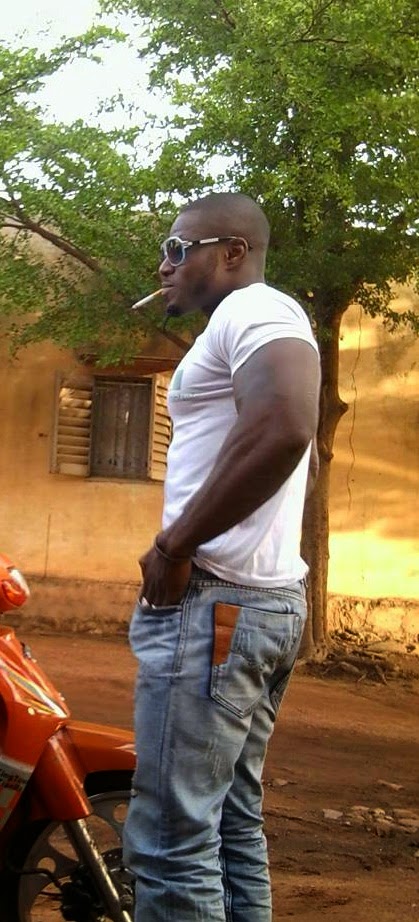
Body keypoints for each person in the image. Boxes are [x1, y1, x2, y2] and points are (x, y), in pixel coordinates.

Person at [123, 192, 320, 922]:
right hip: (257, 606)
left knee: (171, 843)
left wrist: (175, 545)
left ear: (232, 252)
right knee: (230, 825)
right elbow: (281, 436)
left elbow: (286, 425)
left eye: (178, 249)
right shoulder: (246, 322)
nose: (163, 264)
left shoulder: (253, 308)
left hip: (217, 606)